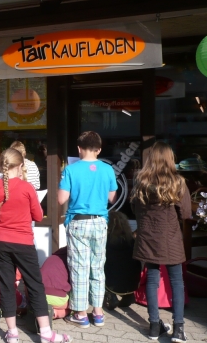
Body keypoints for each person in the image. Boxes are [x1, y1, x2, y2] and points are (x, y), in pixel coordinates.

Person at [0, 148, 72, 343]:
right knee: (34, 286)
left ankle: (12, 333)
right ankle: (46, 333)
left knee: (6, 286)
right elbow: (39, 216)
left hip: (0, 242)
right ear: (21, 165)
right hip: (22, 243)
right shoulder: (27, 188)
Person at [130, 141, 191, 342]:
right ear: (169, 158)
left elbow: (135, 210)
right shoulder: (178, 182)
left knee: (152, 280)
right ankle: (179, 329)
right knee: (177, 282)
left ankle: (154, 326)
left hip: (148, 238)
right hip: (170, 238)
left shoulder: (141, 181)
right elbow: (185, 213)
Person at [58, 131, 117, 328]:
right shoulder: (108, 169)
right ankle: (98, 313)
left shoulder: (70, 170)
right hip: (100, 221)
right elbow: (112, 199)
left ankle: (81, 314)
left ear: (79, 148)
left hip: (78, 222)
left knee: (79, 267)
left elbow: (61, 199)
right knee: (98, 267)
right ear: (99, 149)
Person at [103, 211, 141, 310]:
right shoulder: (131, 240)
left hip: (112, 279)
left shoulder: (108, 240)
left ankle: (111, 296)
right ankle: (128, 296)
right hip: (131, 280)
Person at [40, 246, 71, 319]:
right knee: (74, 307)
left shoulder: (52, 257)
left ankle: (42, 311)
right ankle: (54, 313)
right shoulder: (71, 261)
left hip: (38, 296)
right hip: (58, 300)